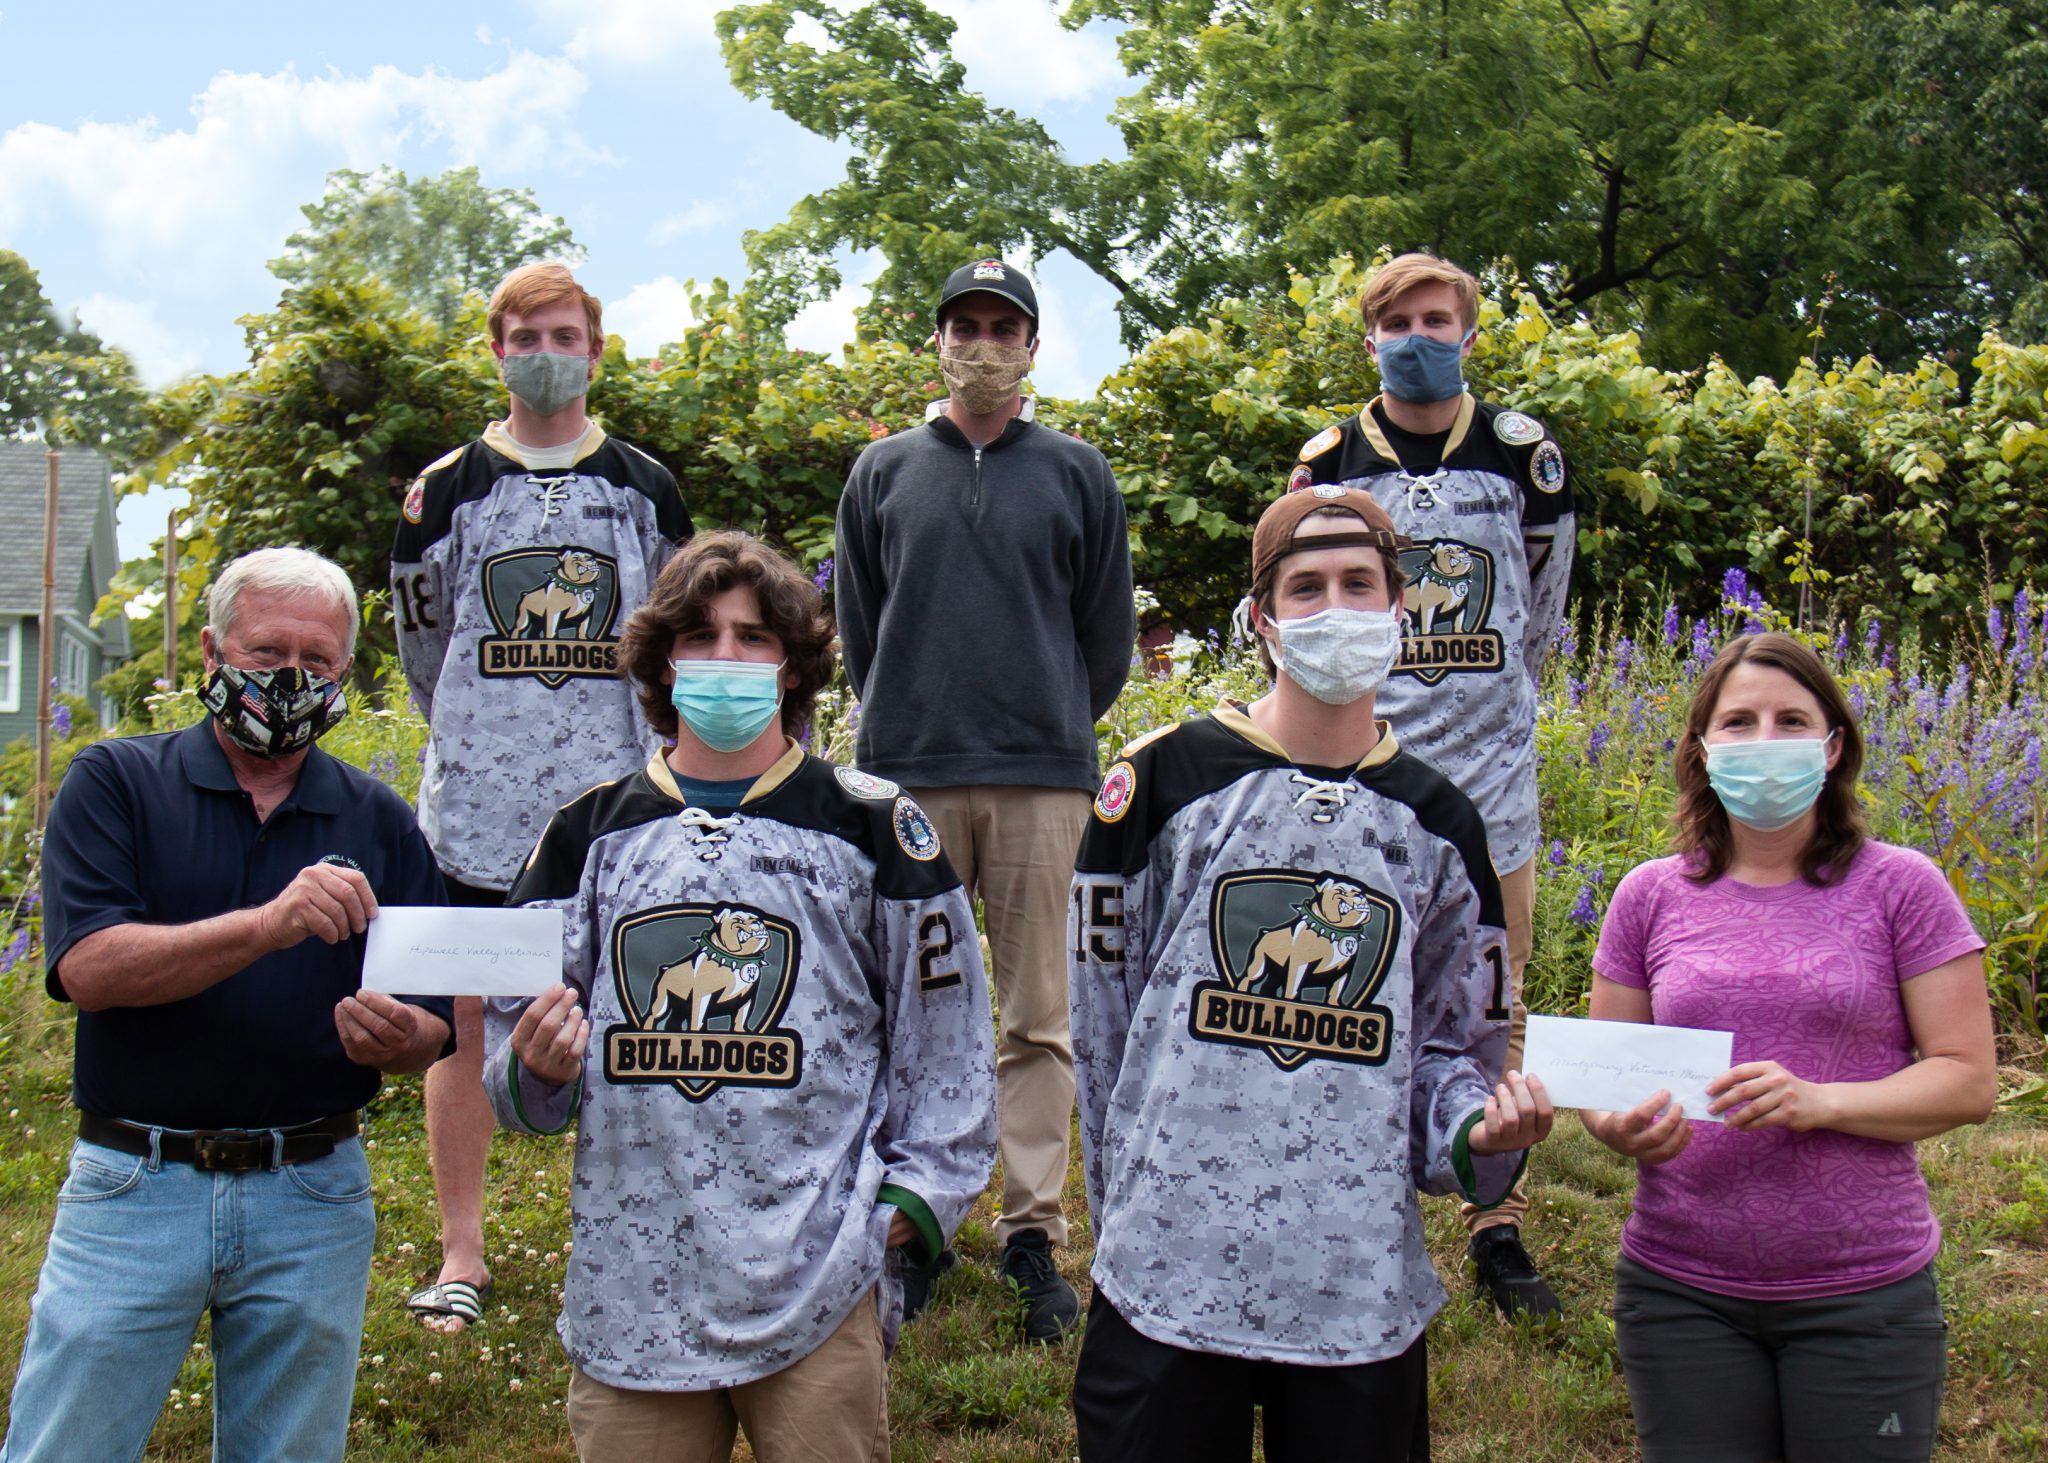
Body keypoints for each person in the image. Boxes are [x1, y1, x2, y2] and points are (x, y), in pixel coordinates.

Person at [484, 530, 997, 1462]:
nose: (727, 658)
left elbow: (949, 1037)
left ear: (793, 665)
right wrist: (533, 1067)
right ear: (662, 660)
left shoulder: (875, 822)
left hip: (816, 1276)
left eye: (754, 638)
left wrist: (911, 1209)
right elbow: (505, 1044)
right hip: (632, 1288)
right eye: (702, 636)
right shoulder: (586, 833)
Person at [1067, 487, 1555, 1461]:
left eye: (1357, 583)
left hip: (1354, 1281)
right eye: (1305, 587)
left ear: (1398, 609)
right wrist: (1122, 1207)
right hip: (1169, 1269)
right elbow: (1101, 1032)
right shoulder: (1156, 784)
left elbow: (1452, 1052)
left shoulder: (1444, 827)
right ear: (1262, 618)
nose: (1334, 606)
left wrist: (1475, 1131)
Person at [4, 547, 454, 1463]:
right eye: (265, 654)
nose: (290, 678)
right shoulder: (116, 783)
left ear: (344, 674)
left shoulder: (381, 819)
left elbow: (433, 1017)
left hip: (313, 1187)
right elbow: (89, 967)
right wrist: (268, 925)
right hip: (136, 1180)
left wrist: (401, 1036)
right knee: (67, 1444)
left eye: (316, 663)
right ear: (211, 654)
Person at [1582, 632, 1997, 1463]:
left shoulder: (1902, 886)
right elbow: (1602, 1075)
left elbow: (1968, 1081)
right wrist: (1615, 1125)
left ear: (1833, 744)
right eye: (1738, 721)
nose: (1763, 741)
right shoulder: (1648, 896)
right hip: (1679, 1284)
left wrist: (1821, 1099)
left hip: (1864, 1289)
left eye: (1790, 719)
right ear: (1702, 747)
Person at [833, 257, 1135, 1338]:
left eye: (1002, 327)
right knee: (903, 1017)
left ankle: (1029, 1234)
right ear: (937, 340)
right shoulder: (879, 472)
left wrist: (1044, 713)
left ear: (1031, 348)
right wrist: (912, 721)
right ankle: (912, 1226)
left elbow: (1105, 638)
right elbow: (863, 632)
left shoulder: (1075, 472)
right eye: (963, 323)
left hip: (1042, 777)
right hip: (905, 778)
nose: (982, 342)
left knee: (1035, 1017)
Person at [391, 260, 692, 1332]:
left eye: (563, 331)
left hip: (611, 807)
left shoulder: (644, 485)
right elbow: (424, 641)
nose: (544, 349)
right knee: (462, 1026)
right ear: (497, 349)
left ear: (596, 349)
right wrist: (481, 726)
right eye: (524, 334)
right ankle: (462, 1252)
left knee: (632, 1014)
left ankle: (635, 1235)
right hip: (475, 805)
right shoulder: (447, 487)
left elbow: (672, 632)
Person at [1293, 250, 1575, 1318]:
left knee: (1490, 1006)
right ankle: (1352, 1193)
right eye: (1397, 320)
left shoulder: (1521, 454)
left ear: (1466, 330)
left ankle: (1492, 1216)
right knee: (1356, 992)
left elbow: (1541, 609)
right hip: (1368, 781)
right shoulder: (1330, 460)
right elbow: (1301, 601)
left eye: (1437, 317)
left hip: (1493, 784)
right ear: (1368, 337)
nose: (1419, 334)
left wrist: (1498, 698)